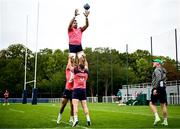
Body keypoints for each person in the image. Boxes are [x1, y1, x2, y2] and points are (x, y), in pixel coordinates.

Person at [71, 56, 91, 127]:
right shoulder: (86, 72)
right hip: (83, 90)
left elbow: (71, 67)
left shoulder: (76, 71)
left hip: (76, 90)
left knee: (75, 106)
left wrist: (72, 60)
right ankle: (88, 119)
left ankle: (75, 119)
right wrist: (85, 59)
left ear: (79, 67)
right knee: (85, 106)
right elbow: (86, 65)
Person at [149, 59, 168, 126]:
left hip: (157, 88)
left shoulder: (157, 70)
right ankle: (165, 121)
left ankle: (157, 117)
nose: (153, 63)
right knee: (163, 105)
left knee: (151, 103)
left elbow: (158, 79)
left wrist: (155, 89)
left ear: (158, 63)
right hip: (163, 88)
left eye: (154, 62)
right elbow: (164, 80)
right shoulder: (164, 70)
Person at [56, 57, 74, 124]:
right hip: (67, 89)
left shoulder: (75, 70)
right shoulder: (68, 70)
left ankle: (71, 118)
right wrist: (70, 57)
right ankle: (59, 116)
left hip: (73, 90)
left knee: (72, 106)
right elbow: (69, 63)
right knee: (63, 104)